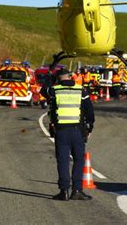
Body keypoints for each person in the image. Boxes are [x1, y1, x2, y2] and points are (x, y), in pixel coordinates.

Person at [47, 68, 95, 201]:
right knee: (79, 161)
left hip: (61, 131)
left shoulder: (54, 90)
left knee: (63, 161)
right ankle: (77, 190)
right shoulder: (81, 90)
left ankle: (64, 191)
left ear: (58, 78)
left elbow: (42, 91)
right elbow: (89, 111)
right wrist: (89, 128)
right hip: (77, 131)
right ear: (70, 77)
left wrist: (50, 79)